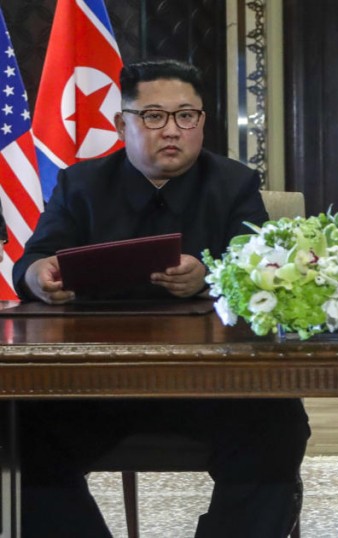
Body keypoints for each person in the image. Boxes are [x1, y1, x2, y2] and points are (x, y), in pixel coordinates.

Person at [12, 59, 309, 538]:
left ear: (202, 122)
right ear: (121, 124)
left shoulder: (234, 183)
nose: (171, 130)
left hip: (210, 383)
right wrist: (37, 277)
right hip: (94, 381)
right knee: (16, 434)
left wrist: (212, 274)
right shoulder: (81, 184)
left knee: (279, 427)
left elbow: (264, 267)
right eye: (152, 116)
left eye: (185, 116)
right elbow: (34, 259)